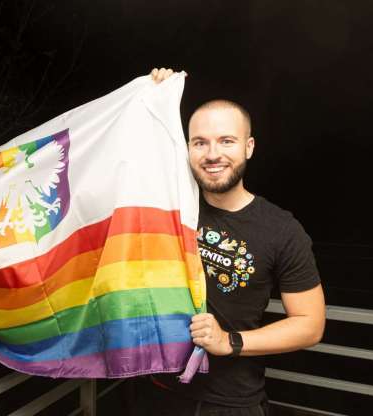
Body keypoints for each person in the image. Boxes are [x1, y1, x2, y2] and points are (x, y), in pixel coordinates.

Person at [137, 68, 326, 416]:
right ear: (187, 149)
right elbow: (135, 156)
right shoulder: (172, 204)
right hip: (156, 391)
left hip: (229, 403)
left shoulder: (281, 230)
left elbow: (310, 325)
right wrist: (154, 99)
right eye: (200, 142)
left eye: (226, 141)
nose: (212, 154)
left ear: (248, 147)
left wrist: (229, 341)